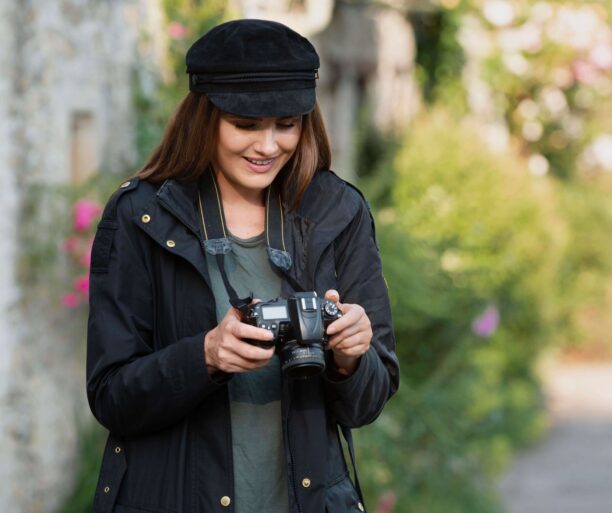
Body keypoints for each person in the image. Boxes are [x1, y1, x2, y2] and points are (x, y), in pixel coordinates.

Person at [86, 19, 399, 513]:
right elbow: (110, 397)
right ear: (203, 119)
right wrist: (206, 356)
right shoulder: (140, 217)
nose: (268, 146)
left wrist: (351, 357)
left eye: (287, 124)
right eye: (246, 124)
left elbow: (367, 403)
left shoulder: (338, 212)